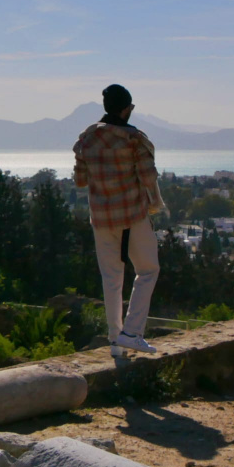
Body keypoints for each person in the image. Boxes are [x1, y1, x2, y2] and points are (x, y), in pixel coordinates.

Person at [73, 84, 164, 356]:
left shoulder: (86, 139)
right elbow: (149, 176)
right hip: (132, 214)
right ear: (126, 109)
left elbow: (80, 181)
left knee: (111, 278)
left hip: (101, 218)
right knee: (148, 270)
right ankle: (132, 332)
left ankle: (115, 340)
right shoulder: (133, 138)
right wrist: (156, 202)